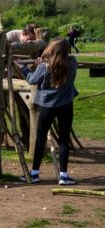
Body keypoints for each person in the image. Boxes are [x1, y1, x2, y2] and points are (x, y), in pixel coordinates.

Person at [21, 37, 79, 185]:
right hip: (66, 104)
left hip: (47, 106)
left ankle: (34, 174)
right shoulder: (72, 63)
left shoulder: (44, 67)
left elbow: (32, 79)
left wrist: (24, 68)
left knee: (40, 140)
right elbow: (60, 64)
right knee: (64, 140)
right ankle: (64, 175)